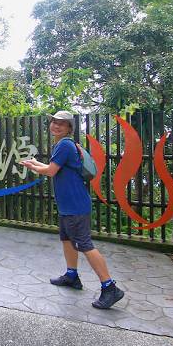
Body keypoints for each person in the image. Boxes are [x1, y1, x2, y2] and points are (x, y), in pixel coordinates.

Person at [20, 110, 124, 309]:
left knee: (85, 244)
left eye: (62, 123)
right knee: (67, 240)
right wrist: (35, 163)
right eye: (54, 122)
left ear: (69, 128)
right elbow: (55, 167)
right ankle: (71, 275)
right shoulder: (63, 145)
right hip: (69, 205)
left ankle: (110, 287)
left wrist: (33, 167)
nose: (56, 125)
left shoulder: (65, 145)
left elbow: (50, 171)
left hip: (75, 205)